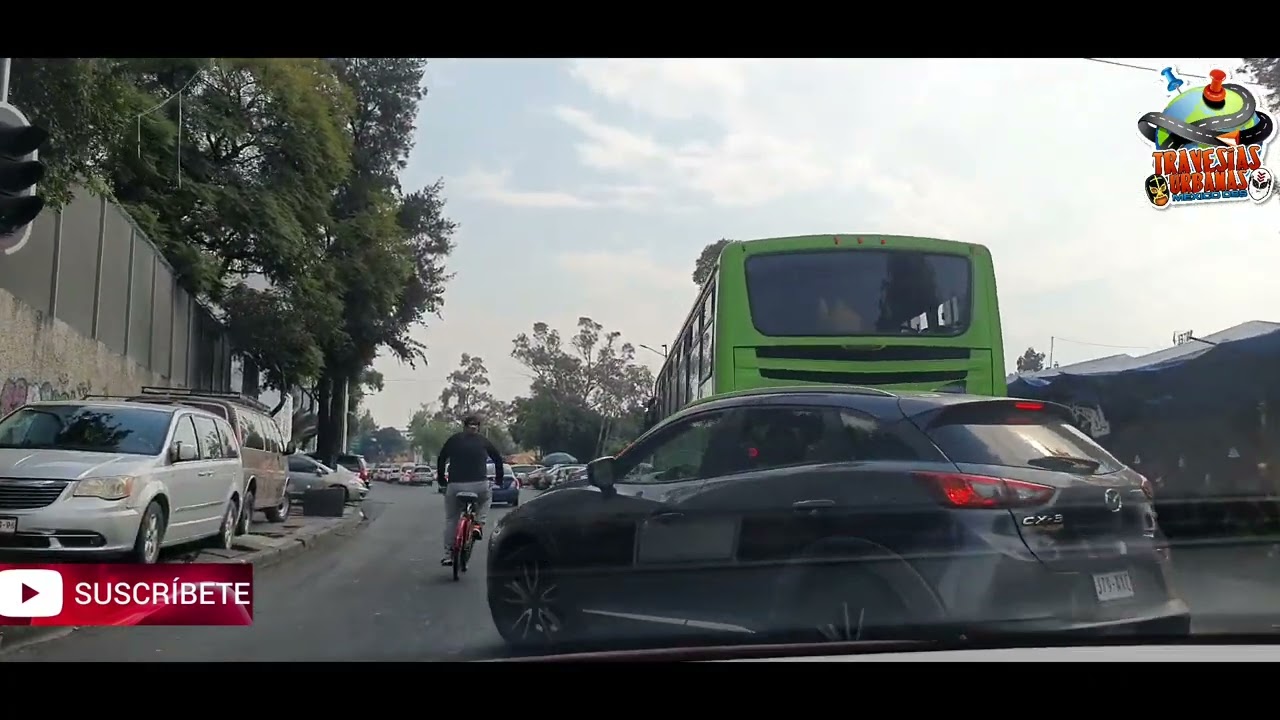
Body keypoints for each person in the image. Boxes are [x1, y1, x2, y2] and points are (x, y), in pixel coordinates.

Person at [436, 415, 503, 566]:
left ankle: (448, 554)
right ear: (478, 427)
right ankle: (479, 524)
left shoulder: (453, 440)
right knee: (486, 498)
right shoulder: (483, 441)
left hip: (455, 485)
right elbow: (498, 459)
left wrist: (442, 479)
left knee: (451, 519)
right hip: (479, 485)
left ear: (463, 426)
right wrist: (499, 479)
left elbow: (441, 458)